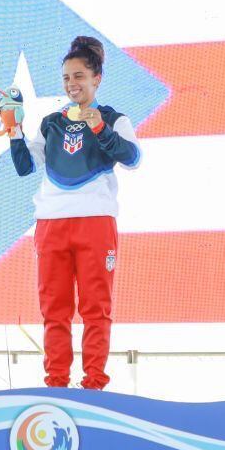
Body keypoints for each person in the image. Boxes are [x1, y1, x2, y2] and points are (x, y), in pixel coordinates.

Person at [9, 36, 141, 390]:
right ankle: (56, 385)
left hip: (95, 223)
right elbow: (25, 167)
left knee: (96, 309)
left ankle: (94, 386)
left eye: (79, 76)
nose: (72, 84)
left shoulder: (114, 118)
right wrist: (12, 128)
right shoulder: (51, 123)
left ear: (97, 78)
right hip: (51, 224)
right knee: (55, 311)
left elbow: (133, 159)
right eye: (67, 77)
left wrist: (100, 128)